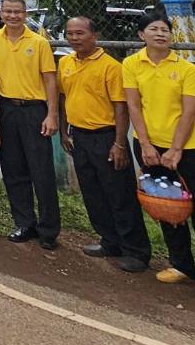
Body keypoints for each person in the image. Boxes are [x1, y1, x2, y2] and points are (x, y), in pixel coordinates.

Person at [123, 11, 195, 303]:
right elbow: (134, 107)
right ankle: (182, 264)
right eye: (153, 29)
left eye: (165, 30)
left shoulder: (187, 69)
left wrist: (176, 149)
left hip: (187, 150)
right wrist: (145, 144)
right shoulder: (131, 64)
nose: (160, 34)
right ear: (141, 35)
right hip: (148, 147)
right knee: (167, 207)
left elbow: (190, 111)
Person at [58, 15, 150, 272]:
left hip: (106, 136)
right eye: (70, 33)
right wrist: (65, 132)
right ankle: (109, 240)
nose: (75, 38)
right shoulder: (65, 63)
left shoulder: (111, 66)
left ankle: (136, 250)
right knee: (93, 193)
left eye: (80, 33)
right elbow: (65, 98)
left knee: (119, 193)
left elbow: (120, 107)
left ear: (94, 35)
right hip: (79, 137)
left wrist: (119, 143)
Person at [0, 0, 60, 248]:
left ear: (25, 13)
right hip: (7, 108)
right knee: (13, 169)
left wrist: (52, 114)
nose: (12, 16)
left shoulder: (39, 42)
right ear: (1, 12)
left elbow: (50, 80)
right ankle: (24, 222)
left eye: (17, 12)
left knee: (41, 171)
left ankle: (48, 229)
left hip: (34, 110)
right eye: (8, 11)